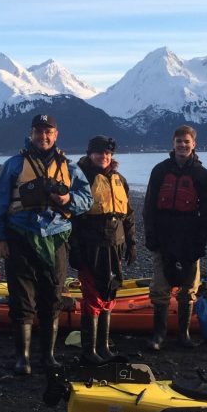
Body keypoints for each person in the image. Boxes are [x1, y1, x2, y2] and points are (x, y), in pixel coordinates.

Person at [0, 113, 93, 375]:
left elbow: (86, 200)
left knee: (52, 297)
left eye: (48, 132)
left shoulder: (70, 168)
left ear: (56, 135)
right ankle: (22, 358)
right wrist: (1, 238)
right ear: (31, 133)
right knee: (21, 298)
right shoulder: (14, 165)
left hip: (56, 237)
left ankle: (48, 356)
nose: (43, 136)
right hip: (20, 236)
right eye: (38, 131)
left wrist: (68, 200)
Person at [143, 125, 207, 350]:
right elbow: (149, 207)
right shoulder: (159, 170)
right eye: (178, 141)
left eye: (186, 141)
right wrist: (151, 238)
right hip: (164, 238)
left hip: (189, 239)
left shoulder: (201, 174)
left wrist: (200, 243)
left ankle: (183, 335)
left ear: (194, 144)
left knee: (188, 288)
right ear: (172, 144)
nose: (182, 145)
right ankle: (159, 335)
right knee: (160, 288)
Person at [70, 135, 137, 364]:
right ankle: (89, 351)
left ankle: (103, 347)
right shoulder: (81, 178)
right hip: (91, 245)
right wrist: (75, 249)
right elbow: (73, 218)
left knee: (110, 292)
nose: (104, 157)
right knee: (93, 295)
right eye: (99, 152)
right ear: (90, 154)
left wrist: (131, 243)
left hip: (114, 244)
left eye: (108, 153)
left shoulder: (119, 180)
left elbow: (127, 215)